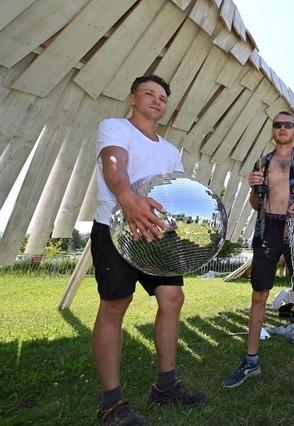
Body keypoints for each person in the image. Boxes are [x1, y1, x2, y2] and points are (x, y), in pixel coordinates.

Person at [91, 75, 206, 425]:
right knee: (115, 305)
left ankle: (166, 386)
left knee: (172, 299)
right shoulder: (115, 128)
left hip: (157, 237)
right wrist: (127, 198)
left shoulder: (171, 152)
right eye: (149, 94)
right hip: (115, 229)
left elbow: (179, 194)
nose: (157, 100)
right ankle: (112, 404)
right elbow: (114, 164)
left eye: (162, 97)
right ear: (133, 97)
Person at [223, 111, 294, 394]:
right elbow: (256, 204)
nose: (283, 128)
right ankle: (251, 361)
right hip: (267, 230)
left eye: (288, 125)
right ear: (273, 130)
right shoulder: (263, 161)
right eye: (278, 124)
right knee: (259, 294)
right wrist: (253, 189)